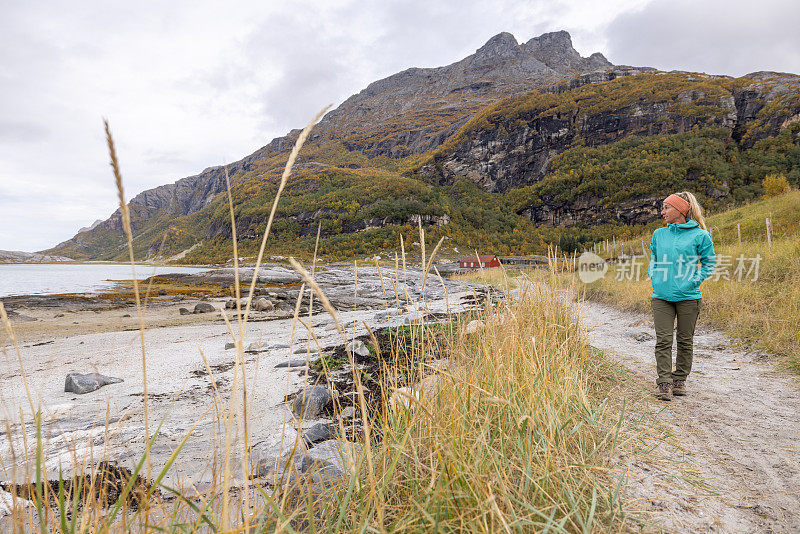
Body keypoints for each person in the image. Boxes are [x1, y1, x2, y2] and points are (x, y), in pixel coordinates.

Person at [648, 191, 716, 401]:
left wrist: (693, 281)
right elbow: (654, 258)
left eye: (666, 207)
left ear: (680, 210)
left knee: (685, 341)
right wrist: (654, 275)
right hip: (661, 296)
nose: (662, 212)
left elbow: (709, 264)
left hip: (689, 296)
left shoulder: (700, 235)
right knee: (663, 340)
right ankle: (664, 383)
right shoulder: (659, 234)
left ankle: (679, 380)